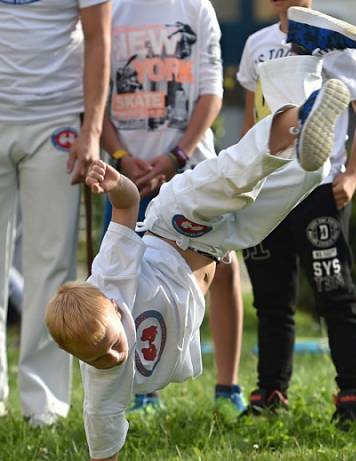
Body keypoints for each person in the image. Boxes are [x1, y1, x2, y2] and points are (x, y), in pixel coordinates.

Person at [45, 9, 356, 461]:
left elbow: (130, 208)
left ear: (114, 309)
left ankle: (299, 114)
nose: (115, 356)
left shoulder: (110, 279)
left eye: (112, 344)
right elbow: (104, 441)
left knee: (241, 171)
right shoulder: (103, 379)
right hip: (220, 244)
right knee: (304, 176)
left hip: (177, 221)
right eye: (99, 357)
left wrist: (114, 183)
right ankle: (305, 53)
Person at [0, 0, 111, 426]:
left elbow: (100, 38)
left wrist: (92, 129)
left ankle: (44, 400)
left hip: (56, 118)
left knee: (51, 263)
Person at [237, 1, 356, 425]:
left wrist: (352, 174)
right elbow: (252, 118)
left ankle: (353, 393)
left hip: (319, 189)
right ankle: (271, 393)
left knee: (334, 291)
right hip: (268, 189)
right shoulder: (257, 44)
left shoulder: (333, 41)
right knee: (272, 299)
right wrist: (247, 179)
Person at [100, 0, 245, 415]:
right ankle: (143, 390)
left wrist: (175, 157)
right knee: (127, 284)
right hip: (128, 175)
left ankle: (227, 387)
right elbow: (95, 94)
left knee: (223, 272)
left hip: (192, 166)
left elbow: (211, 94)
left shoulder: (196, 8)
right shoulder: (110, 8)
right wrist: (121, 156)